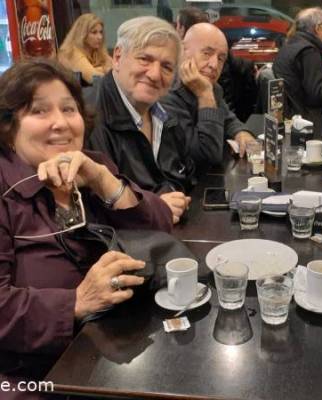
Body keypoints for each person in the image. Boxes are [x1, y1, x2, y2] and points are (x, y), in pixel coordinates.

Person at [0, 59, 173, 400]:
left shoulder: (94, 166)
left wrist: (103, 181)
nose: (61, 124)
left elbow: (161, 230)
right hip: (34, 379)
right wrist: (76, 301)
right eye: (39, 111)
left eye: (69, 109)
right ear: (8, 127)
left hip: (114, 355)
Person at [86, 16, 192, 224]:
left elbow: (181, 176)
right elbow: (97, 209)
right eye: (145, 59)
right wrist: (155, 207)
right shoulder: (88, 118)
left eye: (167, 67)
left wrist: (171, 198)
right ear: (117, 57)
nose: (154, 74)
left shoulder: (166, 116)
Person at [163, 23, 255, 161]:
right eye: (207, 53)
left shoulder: (213, 87)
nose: (214, 65)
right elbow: (208, 156)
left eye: (220, 58)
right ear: (182, 51)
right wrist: (205, 95)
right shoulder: (165, 93)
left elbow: (228, 118)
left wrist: (241, 132)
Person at [58, 13, 112, 85]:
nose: (100, 37)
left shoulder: (96, 50)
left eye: (101, 32)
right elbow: (94, 78)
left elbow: (117, 70)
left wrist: (100, 70)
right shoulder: (71, 52)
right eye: (94, 32)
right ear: (82, 34)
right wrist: (104, 69)